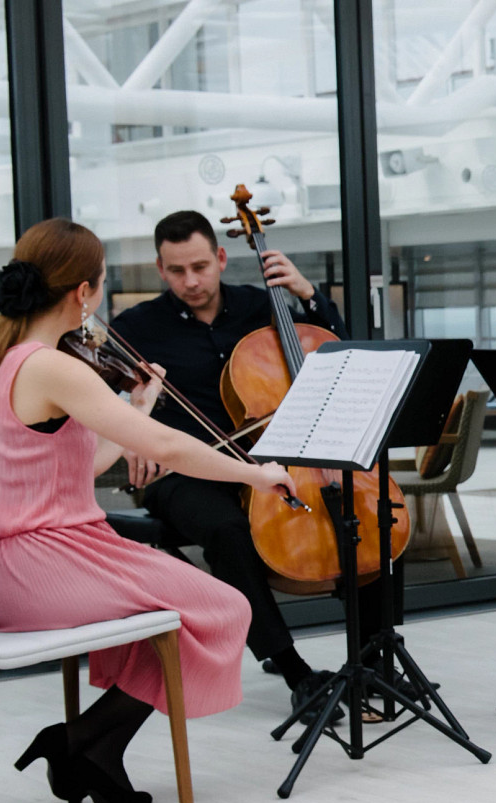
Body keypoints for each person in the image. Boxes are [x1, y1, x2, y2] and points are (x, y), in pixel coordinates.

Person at [0, 219, 295, 803]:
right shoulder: (54, 366)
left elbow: (80, 469)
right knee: (223, 606)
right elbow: (170, 449)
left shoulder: (4, 361)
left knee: (177, 612)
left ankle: (92, 745)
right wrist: (258, 473)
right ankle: (82, 741)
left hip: (19, 561)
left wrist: (139, 405)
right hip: (44, 564)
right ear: (84, 293)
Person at [110, 211, 363, 720]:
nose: (192, 281)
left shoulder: (262, 306)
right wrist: (125, 430)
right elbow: (96, 400)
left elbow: (337, 351)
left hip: (272, 462)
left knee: (367, 516)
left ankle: (373, 656)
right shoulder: (135, 328)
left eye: (201, 266)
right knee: (227, 530)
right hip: (184, 472)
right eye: (177, 271)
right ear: (161, 269)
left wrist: (308, 296)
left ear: (222, 258)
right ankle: (294, 669)